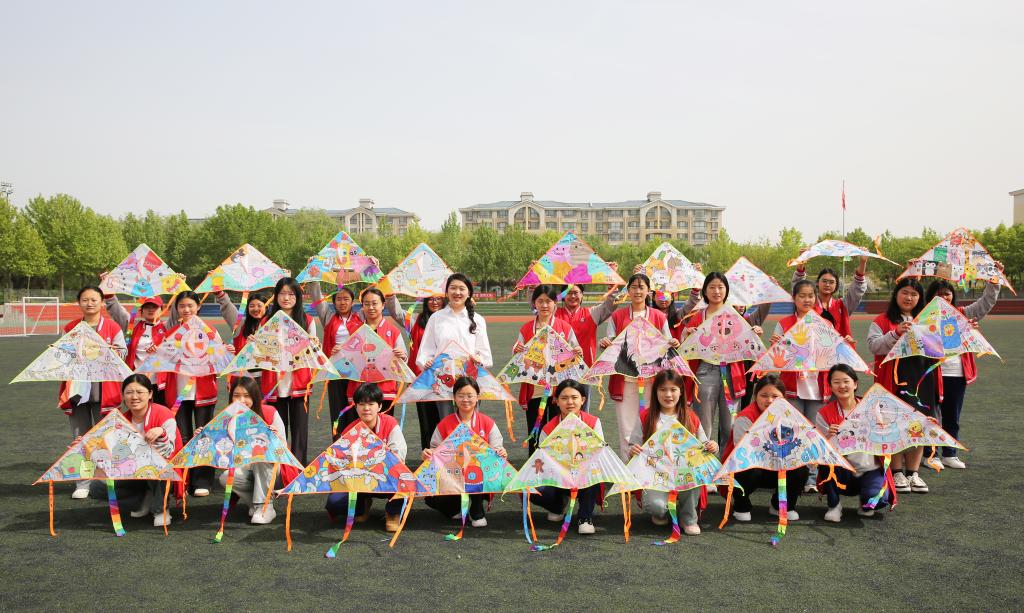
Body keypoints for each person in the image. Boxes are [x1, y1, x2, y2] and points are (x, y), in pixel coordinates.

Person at [925, 267, 1002, 469]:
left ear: (953, 295)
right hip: (932, 374)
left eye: (947, 293)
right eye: (939, 294)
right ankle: (930, 454)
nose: (944, 297)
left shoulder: (962, 314)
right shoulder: (922, 316)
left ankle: (950, 454)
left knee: (952, 416)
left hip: (956, 373)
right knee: (931, 417)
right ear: (930, 297)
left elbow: (986, 303)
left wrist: (994, 280)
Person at [683, 273, 769, 452]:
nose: (716, 291)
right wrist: (687, 335)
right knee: (703, 426)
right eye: (712, 287)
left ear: (727, 290)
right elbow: (685, 346)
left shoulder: (735, 315)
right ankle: (703, 465)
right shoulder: (699, 316)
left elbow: (747, 339)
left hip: (731, 374)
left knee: (730, 425)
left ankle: (726, 466)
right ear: (705, 291)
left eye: (720, 287)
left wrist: (755, 332)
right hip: (705, 372)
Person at [867, 278, 935, 494]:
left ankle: (913, 473)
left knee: (919, 425)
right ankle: (897, 471)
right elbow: (874, 346)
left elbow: (942, 346)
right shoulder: (882, 320)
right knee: (893, 425)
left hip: (922, 379)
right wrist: (895, 333)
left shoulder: (928, 320)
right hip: (892, 380)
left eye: (914, 294)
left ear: (920, 298)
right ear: (896, 294)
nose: (909, 297)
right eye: (904, 292)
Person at [600, 273, 679, 460]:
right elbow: (611, 343)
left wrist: (673, 342)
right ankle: (629, 469)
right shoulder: (617, 316)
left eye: (641, 287)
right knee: (626, 428)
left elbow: (667, 342)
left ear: (649, 291)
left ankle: (654, 466)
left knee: (653, 424)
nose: (637, 291)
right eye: (634, 287)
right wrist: (605, 343)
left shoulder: (659, 316)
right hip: (625, 380)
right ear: (628, 291)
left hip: (653, 380)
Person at [629, 369, 717, 535]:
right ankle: (663, 511)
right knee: (657, 508)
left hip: (684, 473)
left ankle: (688, 518)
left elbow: (704, 443)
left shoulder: (691, 417)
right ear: (655, 392)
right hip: (656, 474)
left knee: (693, 480)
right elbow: (633, 445)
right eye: (663, 389)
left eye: (673, 389)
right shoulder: (646, 416)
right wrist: (633, 449)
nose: (668, 394)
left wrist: (712, 446)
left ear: (681, 391)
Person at [60, 286, 127, 499]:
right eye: (85, 300)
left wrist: (115, 353)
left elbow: (123, 353)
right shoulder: (70, 327)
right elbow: (63, 355)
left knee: (105, 438)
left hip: (105, 391)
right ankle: (83, 483)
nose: (89, 303)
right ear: (78, 302)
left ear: (101, 303)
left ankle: (106, 480)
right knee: (80, 438)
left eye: (94, 300)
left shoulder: (112, 326)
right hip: (77, 391)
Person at [94, 374, 181, 527]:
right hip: (132, 469)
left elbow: (168, 452)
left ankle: (161, 509)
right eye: (129, 392)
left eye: (140, 392)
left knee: (158, 466)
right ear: (123, 396)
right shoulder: (121, 420)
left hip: (163, 468)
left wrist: (161, 433)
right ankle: (142, 500)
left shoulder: (163, 413)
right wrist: (86, 447)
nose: (134, 397)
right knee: (97, 486)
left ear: (150, 394)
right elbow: (109, 451)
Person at [721, 375, 809, 522]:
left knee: (800, 469)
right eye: (764, 395)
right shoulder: (745, 417)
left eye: (775, 396)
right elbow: (742, 451)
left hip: (777, 466)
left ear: (783, 398)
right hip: (752, 466)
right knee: (749, 469)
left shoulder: (790, 417)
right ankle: (741, 505)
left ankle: (781, 506)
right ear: (755, 396)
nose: (769, 400)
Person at [768, 279, 829, 492]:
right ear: (794, 298)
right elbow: (776, 359)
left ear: (816, 298)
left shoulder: (824, 323)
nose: (806, 300)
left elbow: (831, 352)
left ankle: (811, 478)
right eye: (801, 296)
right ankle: (792, 475)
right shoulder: (784, 323)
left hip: (818, 388)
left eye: (810, 296)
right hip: (792, 387)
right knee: (791, 432)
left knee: (813, 433)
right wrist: (776, 347)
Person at [323, 383, 408, 533]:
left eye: (371, 404)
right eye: (361, 404)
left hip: (387, 476)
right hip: (359, 478)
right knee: (334, 504)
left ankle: (393, 512)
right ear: (356, 407)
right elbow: (341, 461)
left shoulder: (390, 423)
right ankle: (362, 505)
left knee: (403, 476)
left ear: (379, 406)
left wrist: (385, 456)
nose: (366, 408)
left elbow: (399, 457)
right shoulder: (351, 429)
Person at [162, 290, 224, 496]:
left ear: (198, 307)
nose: (186, 309)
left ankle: (202, 480)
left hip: (203, 392)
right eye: (182, 306)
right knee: (182, 436)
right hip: (178, 393)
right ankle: (183, 480)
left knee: (204, 435)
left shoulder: (210, 332)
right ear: (176, 309)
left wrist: (225, 351)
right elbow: (162, 360)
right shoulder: (171, 333)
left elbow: (220, 359)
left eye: (190, 305)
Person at [422, 376, 507, 528]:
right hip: (453, 476)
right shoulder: (445, 423)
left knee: (475, 470)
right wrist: (428, 453)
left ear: (477, 397)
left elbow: (496, 448)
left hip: (480, 476)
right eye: (460, 395)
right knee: (432, 499)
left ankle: (477, 509)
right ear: (454, 398)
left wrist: (501, 452)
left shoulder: (487, 422)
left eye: (470, 395)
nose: (465, 399)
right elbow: (435, 449)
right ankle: (457, 507)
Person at [416, 273, 492, 440]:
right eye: (453, 288)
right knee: (447, 425)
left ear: (469, 293)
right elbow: (425, 351)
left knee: (471, 423)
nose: (457, 292)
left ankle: (472, 454)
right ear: (447, 292)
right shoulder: (436, 318)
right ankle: (448, 456)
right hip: (443, 381)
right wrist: (426, 362)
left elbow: (485, 355)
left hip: (470, 382)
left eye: (462, 289)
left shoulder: (478, 320)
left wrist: (479, 359)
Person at [511, 284, 583, 452]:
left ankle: (560, 462)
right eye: (540, 301)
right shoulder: (526, 329)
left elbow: (575, 355)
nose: (544, 305)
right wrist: (516, 351)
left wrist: (578, 351)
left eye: (548, 301)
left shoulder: (565, 327)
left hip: (559, 390)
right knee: (535, 430)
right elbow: (517, 358)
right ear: (534, 303)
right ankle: (535, 463)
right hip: (535, 389)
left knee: (560, 429)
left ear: (555, 303)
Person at [815, 364, 889, 522]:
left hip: (870, 469)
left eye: (846, 381)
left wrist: (924, 423)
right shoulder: (824, 413)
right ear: (830, 387)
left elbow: (895, 429)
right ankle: (834, 505)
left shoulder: (872, 408)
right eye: (836, 382)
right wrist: (828, 436)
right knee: (827, 462)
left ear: (855, 384)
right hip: (842, 471)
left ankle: (865, 503)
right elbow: (818, 448)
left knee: (877, 500)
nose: (842, 386)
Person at [528, 380, 601, 535]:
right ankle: (557, 506)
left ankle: (585, 517)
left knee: (593, 472)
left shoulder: (593, 422)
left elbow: (598, 453)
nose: (570, 402)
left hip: (584, 474)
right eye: (564, 398)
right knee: (531, 490)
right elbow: (543, 459)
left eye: (574, 397)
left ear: (583, 400)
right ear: (556, 400)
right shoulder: (548, 428)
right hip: (558, 475)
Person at [259, 278, 318, 466]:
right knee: (277, 429)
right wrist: (254, 345)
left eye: (291, 294)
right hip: (274, 384)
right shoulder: (266, 321)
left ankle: (298, 468)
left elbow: (313, 352)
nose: (286, 298)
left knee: (300, 431)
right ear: (276, 296)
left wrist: (315, 345)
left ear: (298, 297)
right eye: (282, 293)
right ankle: (280, 468)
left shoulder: (307, 321)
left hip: (299, 384)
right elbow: (261, 353)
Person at [217, 377, 286, 525]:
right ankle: (257, 505)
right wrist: (204, 436)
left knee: (259, 457)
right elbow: (221, 448)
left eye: (246, 396)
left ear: (255, 396)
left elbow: (283, 449)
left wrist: (275, 438)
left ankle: (264, 508)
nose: (241, 400)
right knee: (225, 478)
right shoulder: (228, 418)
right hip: (246, 467)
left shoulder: (270, 412)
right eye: (236, 395)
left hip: (272, 469)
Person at [338, 288, 407, 433]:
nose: (371, 307)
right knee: (358, 432)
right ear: (362, 306)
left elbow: (403, 361)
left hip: (385, 390)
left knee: (384, 430)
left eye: (375, 303)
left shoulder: (393, 331)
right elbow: (345, 360)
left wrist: (402, 356)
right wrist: (338, 353)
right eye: (367, 304)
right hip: (358, 389)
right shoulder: (353, 330)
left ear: (383, 305)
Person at [553, 267, 619, 409]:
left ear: (582, 295)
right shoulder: (554, 314)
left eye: (576, 293)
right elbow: (539, 304)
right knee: (560, 411)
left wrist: (612, 281)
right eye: (569, 293)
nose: (573, 296)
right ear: (563, 296)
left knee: (582, 411)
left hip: (584, 370)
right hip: (558, 370)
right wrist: (533, 283)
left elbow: (611, 305)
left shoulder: (591, 313)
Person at [386, 293, 446, 451]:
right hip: (422, 380)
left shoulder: (449, 321)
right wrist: (390, 296)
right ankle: (428, 455)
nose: (434, 302)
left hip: (445, 380)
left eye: (438, 298)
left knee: (445, 420)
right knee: (426, 421)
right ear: (425, 301)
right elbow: (397, 313)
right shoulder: (415, 321)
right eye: (430, 299)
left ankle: (445, 456)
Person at [312, 285, 362, 438]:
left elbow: (374, 301)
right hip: (335, 371)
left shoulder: (361, 317)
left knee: (356, 408)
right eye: (338, 299)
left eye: (346, 299)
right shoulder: (328, 317)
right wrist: (314, 279)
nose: (342, 302)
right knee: (337, 410)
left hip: (357, 371)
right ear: (333, 302)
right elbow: (317, 297)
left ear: (353, 301)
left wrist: (375, 274)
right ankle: (338, 444)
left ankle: (357, 443)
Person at [791, 256, 869, 345]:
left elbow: (857, 288)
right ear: (817, 282)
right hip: (811, 350)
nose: (827, 284)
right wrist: (802, 260)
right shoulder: (808, 304)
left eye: (831, 282)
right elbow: (798, 288)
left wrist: (863, 262)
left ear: (836, 285)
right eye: (824, 281)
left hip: (838, 351)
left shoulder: (843, 305)